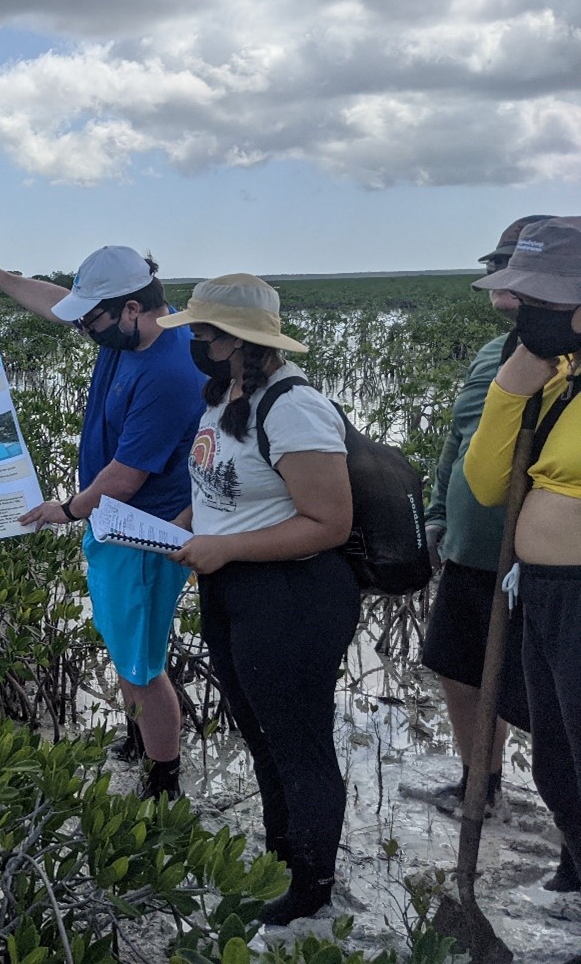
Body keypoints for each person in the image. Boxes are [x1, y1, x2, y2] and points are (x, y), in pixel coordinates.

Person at [0, 244, 204, 800]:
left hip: (144, 530)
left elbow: (124, 478)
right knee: (128, 645)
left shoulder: (170, 372)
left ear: (129, 308)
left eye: (91, 319)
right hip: (115, 522)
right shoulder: (128, 331)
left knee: (142, 664)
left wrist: (66, 509)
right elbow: (59, 305)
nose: (82, 330)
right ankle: (137, 738)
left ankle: (162, 778)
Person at [160, 274, 359, 926]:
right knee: (261, 731)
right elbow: (223, 487)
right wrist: (189, 525)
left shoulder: (292, 406)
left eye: (202, 332)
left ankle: (312, 886)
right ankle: (284, 855)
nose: (193, 340)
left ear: (237, 340)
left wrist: (229, 549)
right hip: (233, 587)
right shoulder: (224, 395)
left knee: (299, 741)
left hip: (292, 595)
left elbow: (328, 522)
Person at [414, 216, 551, 820]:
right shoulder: (493, 352)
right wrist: (439, 513)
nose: (498, 290)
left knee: (545, 695)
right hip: (470, 548)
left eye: (508, 274)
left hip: (535, 560)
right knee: (455, 666)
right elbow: (459, 439)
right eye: (496, 271)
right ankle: (481, 781)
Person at [465, 216, 581, 910]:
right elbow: (487, 482)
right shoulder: (557, 381)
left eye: (540, 304)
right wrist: (516, 381)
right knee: (557, 768)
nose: (524, 314)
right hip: (544, 593)